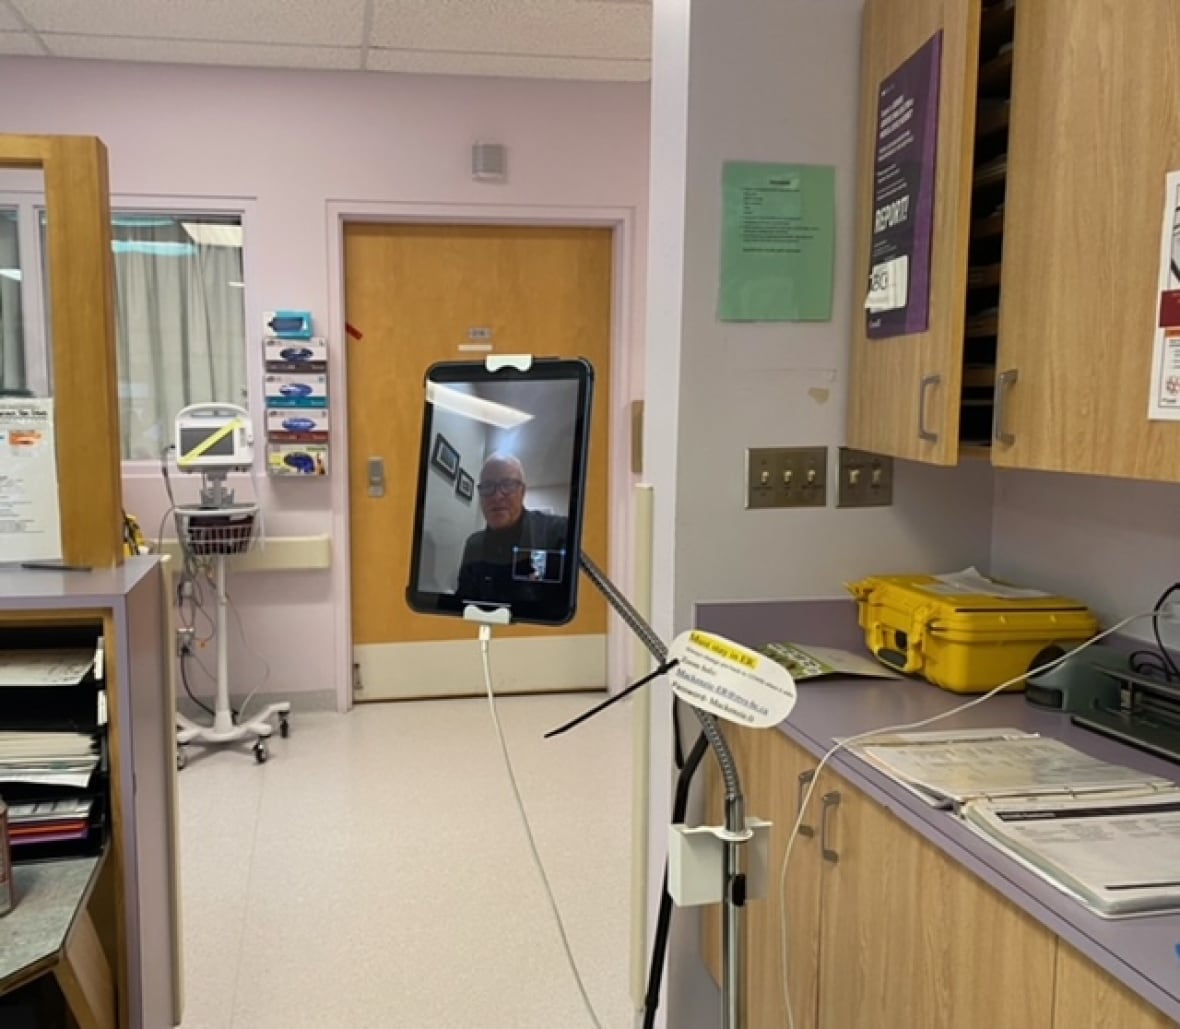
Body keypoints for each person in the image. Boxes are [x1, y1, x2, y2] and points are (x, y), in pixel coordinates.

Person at [455, 453, 567, 602]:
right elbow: (462, 601)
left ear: (522, 492)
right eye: (488, 486)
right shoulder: (473, 544)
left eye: (507, 484)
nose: (496, 496)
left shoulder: (558, 531)